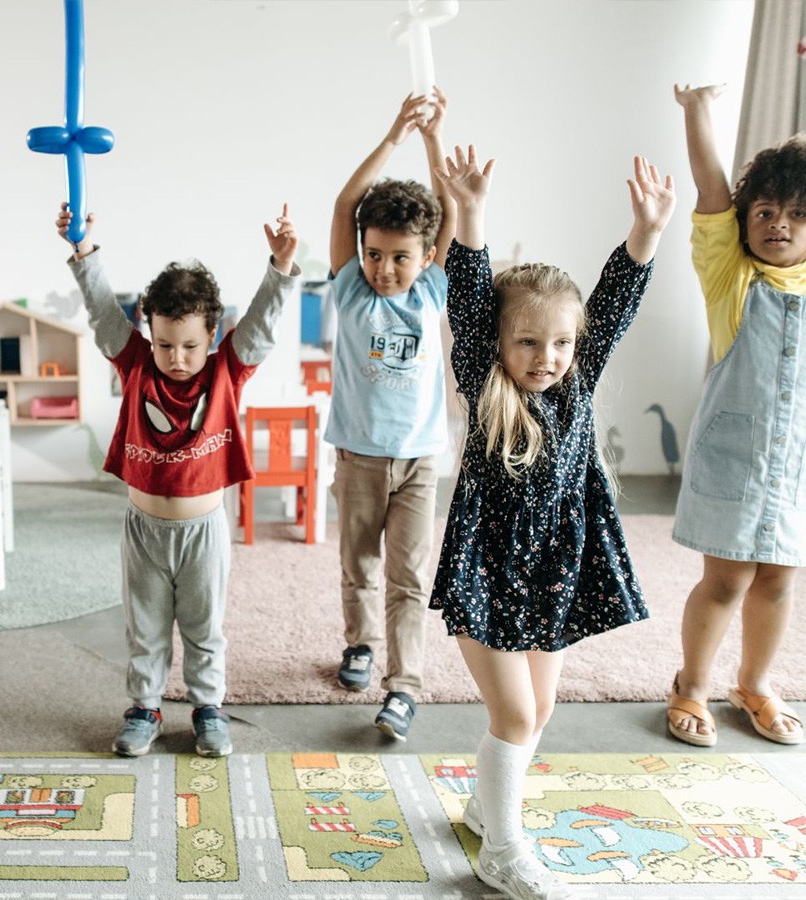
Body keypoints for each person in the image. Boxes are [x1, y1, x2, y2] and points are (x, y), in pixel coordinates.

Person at [431, 148, 674, 900]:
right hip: (489, 567)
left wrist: (648, 231)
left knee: (541, 709)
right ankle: (503, 849)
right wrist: (469, 215)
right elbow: (468, 297)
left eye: (561, 343)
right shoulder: (483, 373)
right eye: (529, 341)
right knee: (514, 713)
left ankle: (482, 807)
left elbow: (617, 301)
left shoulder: (580, 374)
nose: (548, 356)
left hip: (557, 567)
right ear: (500, 344)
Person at [56, 202, 299, 759]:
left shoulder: (226, 370)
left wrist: (280, 268)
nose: (177, 357)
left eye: (190, 344)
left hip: (203, 531)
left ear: (213, 335)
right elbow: (102, 316)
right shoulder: (136, 362)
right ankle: (143, 708)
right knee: (144, 629)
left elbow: (260, 329)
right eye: (165, 343)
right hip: (144, 528)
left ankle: (209, 708)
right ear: (149, 331)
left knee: (204, 628)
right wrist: (83, 253)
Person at [666, 84, 806, 748]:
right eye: (768, 212)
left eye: (798, 214)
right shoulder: (733, 278)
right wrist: (698, 112)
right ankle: (691, 686)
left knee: (778, 581)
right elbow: (714, 192)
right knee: (725, 582)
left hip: (795, 468)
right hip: (733, 463)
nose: (780, 223)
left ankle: (755, 683)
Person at [326, 90, 455, 740]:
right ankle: (360, 645)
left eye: (399, 256)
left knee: (408, 575)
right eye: (374, 253)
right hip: (359, 456)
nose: (383, 267)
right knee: (359, 564)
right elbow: (347, 205)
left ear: (426, 257)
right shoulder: (350, 284)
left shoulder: (433, 287)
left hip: (420, 462)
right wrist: (394, 133)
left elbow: (450, 212)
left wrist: (433, 141)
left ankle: (403, 686)